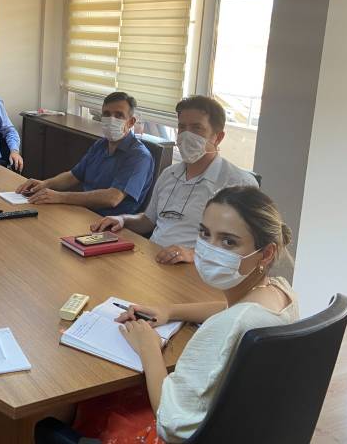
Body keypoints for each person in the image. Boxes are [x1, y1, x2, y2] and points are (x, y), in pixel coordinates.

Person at [73, 186, 298, 443]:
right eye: (205, 233)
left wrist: (148, 348)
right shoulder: (279, 292)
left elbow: (170, 422)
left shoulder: (227, 327)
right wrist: (170, 310)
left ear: (266, 253)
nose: (209, 248)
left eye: (228, 242)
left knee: (93, 402)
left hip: (194, 432)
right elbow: (232, 310)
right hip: (245, 424)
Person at [92, 95, 257, 264]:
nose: (186, 134)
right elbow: (148, 221)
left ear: (218, 137)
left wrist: (193, 254)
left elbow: (246, 247)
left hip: (197, 269)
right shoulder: (169, 174)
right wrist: (122, 219)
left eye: (196, 127)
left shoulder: (239, 184)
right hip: (153, 258)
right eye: (182, 127)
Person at [15, 92, 154, 216]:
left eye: (119, 115)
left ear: (131, 122)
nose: (111, 119)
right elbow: (74, 176)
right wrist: (45, 184)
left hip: (111, 224)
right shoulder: (101, 145)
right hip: (83, 213)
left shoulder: (139, 157)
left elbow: (113, 198)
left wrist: (60, 197)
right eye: (106, 114)